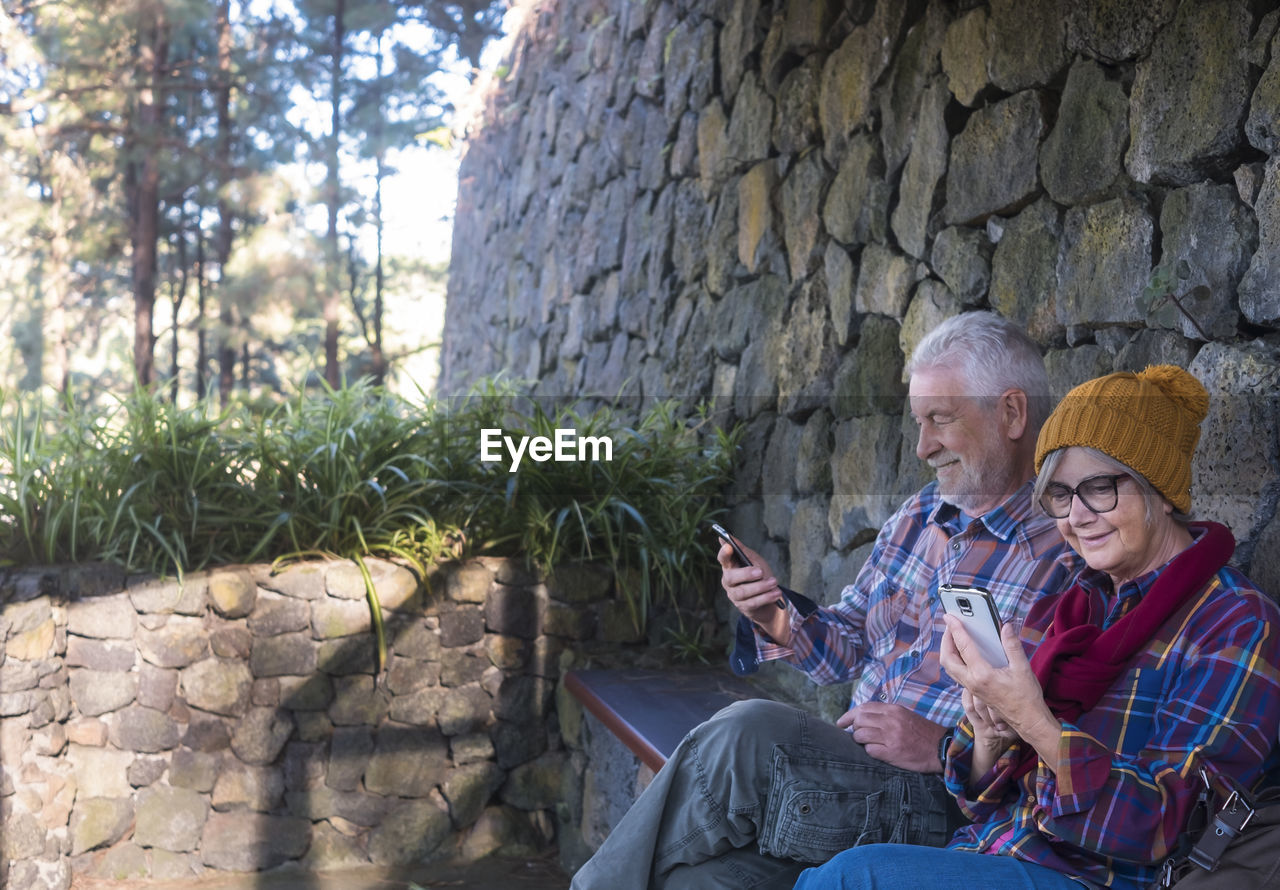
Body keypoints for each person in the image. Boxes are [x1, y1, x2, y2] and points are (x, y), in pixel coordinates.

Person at [569, 312, 1082, 890]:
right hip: (849, 772)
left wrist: (942, 748)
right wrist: (775, 617)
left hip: (948, 803)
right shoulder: (919, 516)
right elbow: (849, 644)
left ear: (1012, 412)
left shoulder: (1068, 549)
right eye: (919, 422)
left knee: (744, 735)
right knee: (699, 879)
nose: (922, 446)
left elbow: (1056, 738)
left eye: (940, 419)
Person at [792, 365, 1280, 890]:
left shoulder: (1236, 622)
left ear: (1161, 491)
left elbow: (1164, 826)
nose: (1078, 516)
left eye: (1100, 488)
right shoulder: (1073, 603)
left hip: (1098, 878)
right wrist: (991, 736)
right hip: (998, 848)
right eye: (1061, 496)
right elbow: (973, 792)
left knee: (848, 879)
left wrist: (1034, 720)